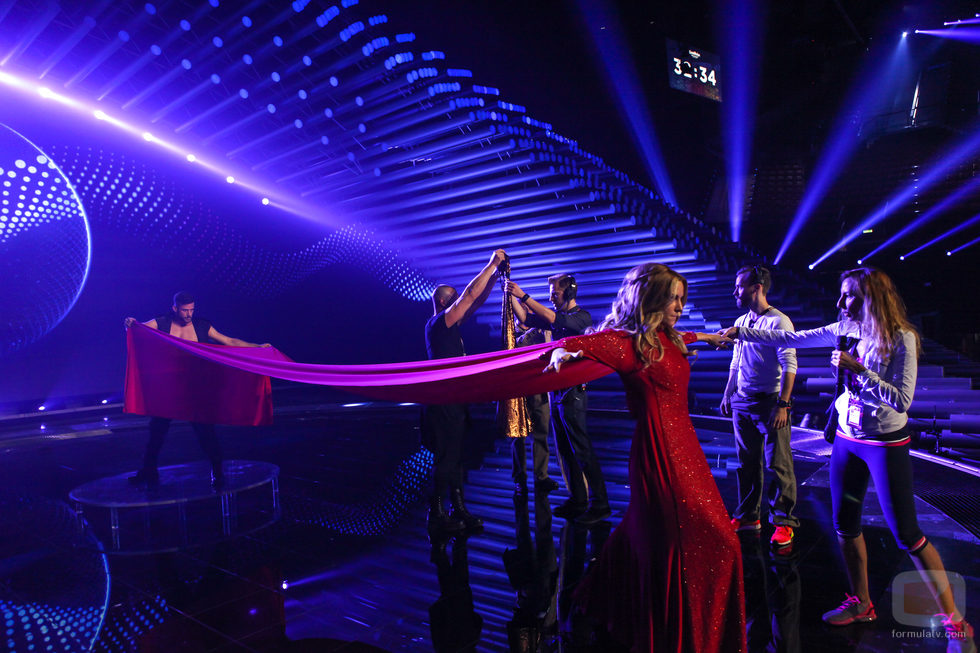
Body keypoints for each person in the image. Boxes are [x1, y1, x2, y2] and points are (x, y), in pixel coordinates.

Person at [723, 267, 974, 647]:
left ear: (871, 298)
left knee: (907, 534)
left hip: (884, 442)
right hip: (846, 437)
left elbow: (902, 400)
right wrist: (740, 332)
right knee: (845, 525)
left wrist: (859, 370)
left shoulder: (901, 337)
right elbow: (791, 337)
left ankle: (955, 621)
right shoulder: (845, 328)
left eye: (849, 295)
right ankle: (861, 603)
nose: (840, 302)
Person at [545, 263, 745, 653]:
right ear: (651, 298)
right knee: (708, 541)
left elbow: (686, 335)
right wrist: (562, 352)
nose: (680, 306)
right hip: (659, 453)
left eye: (682, 299)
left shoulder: (669, 336)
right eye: (673, 299)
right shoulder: (626, 344)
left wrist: (710, 337)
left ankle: (611, 604)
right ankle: (672, 631)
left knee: (659, 534)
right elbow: (578, 343)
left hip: (687, 450)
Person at [123, 291, 269, 490]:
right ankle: (149, 471)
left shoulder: (201, 326)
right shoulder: (163, 322)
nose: (189, 314)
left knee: (205, 431)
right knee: (157, 430)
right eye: (185, 310)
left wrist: (257, 347)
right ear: (175, 308)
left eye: (192, 309)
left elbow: (229, 341)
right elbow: (137, 329)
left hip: (194, 389)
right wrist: (130, 323)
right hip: (170, 389)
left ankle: (218, 472)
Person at [507, 274, 609, 526]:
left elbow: (553, 318)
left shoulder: (581, 317)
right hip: (559, 391)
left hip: (574, 392)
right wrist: (510, 296)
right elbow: (525, 319)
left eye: (555, 292)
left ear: (570, 292)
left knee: (581, 449)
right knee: (565, 449)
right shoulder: (559, 317)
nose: (552, 297)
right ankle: (578, 499)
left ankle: (600, 504)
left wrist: (523, 295)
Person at [424, 249, 507, 534]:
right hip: (443, 403)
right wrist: (491, 263)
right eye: (455, 298)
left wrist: (495, 277)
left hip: (455, 401)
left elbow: (475, 300)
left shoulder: (450, 325)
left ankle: (458, 509)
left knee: (456, 457)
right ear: (444, 302)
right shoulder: (438, 324)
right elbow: (469, 296)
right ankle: (436, 514)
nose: (460, 301)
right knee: (446, 458)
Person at [720, 265, 800, 548]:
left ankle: (783, 522)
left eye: (739, 286)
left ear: (756, 288)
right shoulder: (741, 321)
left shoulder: (779, 322)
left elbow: (790, 365)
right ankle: (748, 516)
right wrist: (728, 393)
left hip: (770, 402)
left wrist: (783, 404)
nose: (735, 291)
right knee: (746, 463)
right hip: (742, 401)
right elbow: (736, 362)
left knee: (778, 464)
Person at [510, 322, 559, 496]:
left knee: (541, 433)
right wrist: (533, 331)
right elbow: (517, 348)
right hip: (518, 391)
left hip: (539, 388)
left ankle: (541, 476)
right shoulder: (511, 331)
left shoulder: (542, 328)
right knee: (518, 437)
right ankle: (520, 479)